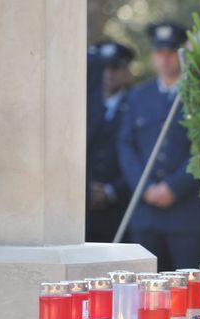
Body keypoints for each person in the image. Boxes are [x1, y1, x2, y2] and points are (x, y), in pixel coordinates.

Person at [117, 22, 200, 272]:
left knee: (189, 296)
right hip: (146, 215)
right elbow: (126, 145)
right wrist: (145, 188)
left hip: (187, 214)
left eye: (171, 52)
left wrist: (173, 186)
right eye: (159, 53)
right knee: (144, 295)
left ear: (182, 53)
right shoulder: (138, 96)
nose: (165, 59)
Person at [86, 41, 134, 243]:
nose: (108, 73)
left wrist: (111, 190)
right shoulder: (81, 105)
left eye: (114, 67)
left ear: (126, 71)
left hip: (122, 207)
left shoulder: (136, 103)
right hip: (83, 209)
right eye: (102, 67)